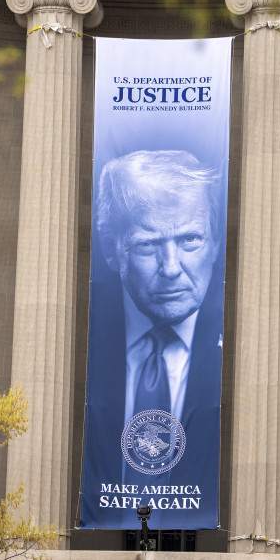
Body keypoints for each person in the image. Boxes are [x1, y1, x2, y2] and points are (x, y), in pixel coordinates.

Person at [79, 149, 224, 530]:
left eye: (190, 239)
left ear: (216, 244)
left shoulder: (234, 348)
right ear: (113, 250)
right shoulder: (88, 337)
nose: (172, 268)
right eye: (148, 245)